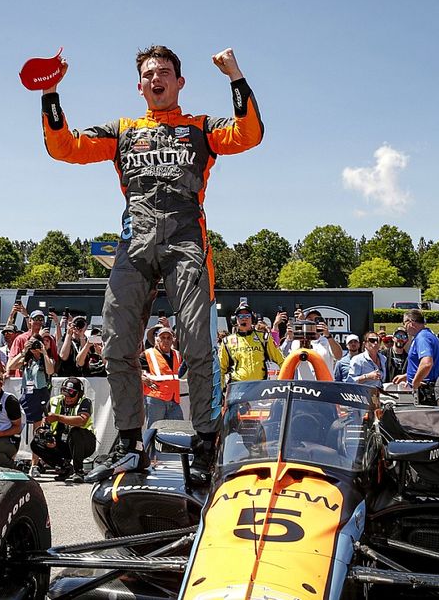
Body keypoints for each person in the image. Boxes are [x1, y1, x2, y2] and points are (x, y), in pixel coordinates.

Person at [39, 45, 263, 484]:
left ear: (179, 82)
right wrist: (50, 94)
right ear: (138, 85)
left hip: (186, 239)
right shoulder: (123, 130)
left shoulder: (200, 126)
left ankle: (204, 442)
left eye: (164, 72)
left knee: (197, 343)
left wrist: (235, 76)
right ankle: (128, 443)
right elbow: (64, 148)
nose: (156, 78)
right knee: (117, 344)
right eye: (148, 73)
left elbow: (248, 134)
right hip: (135, 240)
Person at [6, 330, 56, 478]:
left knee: (37, 432)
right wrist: (24, 351)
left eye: (36, 343)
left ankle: (35, 464)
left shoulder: (45, 359)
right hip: (26, 395)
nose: (34, 346)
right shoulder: (26, 360)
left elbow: (51, 370)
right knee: (16, 429)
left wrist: (44, 352)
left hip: (40, 394)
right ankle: (11, 460)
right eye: (32, 343)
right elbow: (11, 366)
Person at [30, 377, 96, 481]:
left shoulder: (85, 402)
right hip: (60, 441)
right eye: (65, 395)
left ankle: (78, 471)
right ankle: (64, 467)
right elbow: (45, 423)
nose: (68, 398)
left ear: (79, 394)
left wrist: (57, 417)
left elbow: (81, 421)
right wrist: (46, 435)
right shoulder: (53, 401)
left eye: (72, 395)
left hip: (84, 443)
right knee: (36, 443)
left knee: (76, 431)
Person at [220, 303, 284, 385]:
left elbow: (281, 361)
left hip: (260, 387)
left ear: (253, 319)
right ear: (235, 320)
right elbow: (221, 369)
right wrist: (220, 392)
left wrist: (282, 384)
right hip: (237, 387)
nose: (244, 319)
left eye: (247, 316)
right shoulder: (227, 341)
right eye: (241, 316)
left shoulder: (264, 338)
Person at [397, 309, 439, 405]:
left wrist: (415, 382)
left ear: (411, 323)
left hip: (426, 391)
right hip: (427, 388)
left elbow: (427, 364)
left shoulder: (422, 337)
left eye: (404, 323)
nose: (404, 327)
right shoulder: (426, 335)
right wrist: (407, 376)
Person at [280, 308, 343, 376]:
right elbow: (293, 363)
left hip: (325, 384)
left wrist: (328, 335)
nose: (313, 322)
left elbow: (338, 356)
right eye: (310, 319)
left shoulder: (327, 340)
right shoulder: (297, 342)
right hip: (306, 385)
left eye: (316, 320)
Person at [142, 326, 183, 428]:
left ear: (172, 340)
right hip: (156, 399)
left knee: (177, 431)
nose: (166, 340)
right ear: (157, 340)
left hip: (174, 400)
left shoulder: (177, 355)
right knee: (153, 430)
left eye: (168, 338)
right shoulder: (148, 354)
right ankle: (149, 445)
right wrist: (141, 377)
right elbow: (131, 368)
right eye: (163, 338)